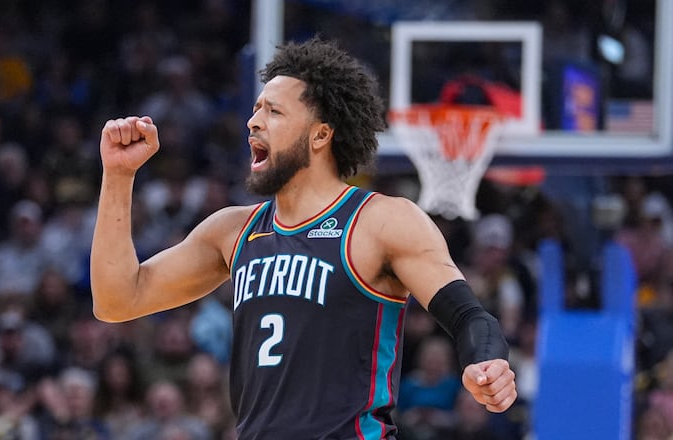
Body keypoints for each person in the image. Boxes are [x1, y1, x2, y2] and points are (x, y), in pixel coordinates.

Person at [90, 37, 517, 439]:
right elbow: (117, 300)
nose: (253, 121)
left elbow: (469, 316)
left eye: (274, 112)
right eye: (256, 109)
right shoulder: (232, 231)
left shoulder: (380, 221)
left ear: (320, 134)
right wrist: (118, 176)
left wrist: (486, 362)